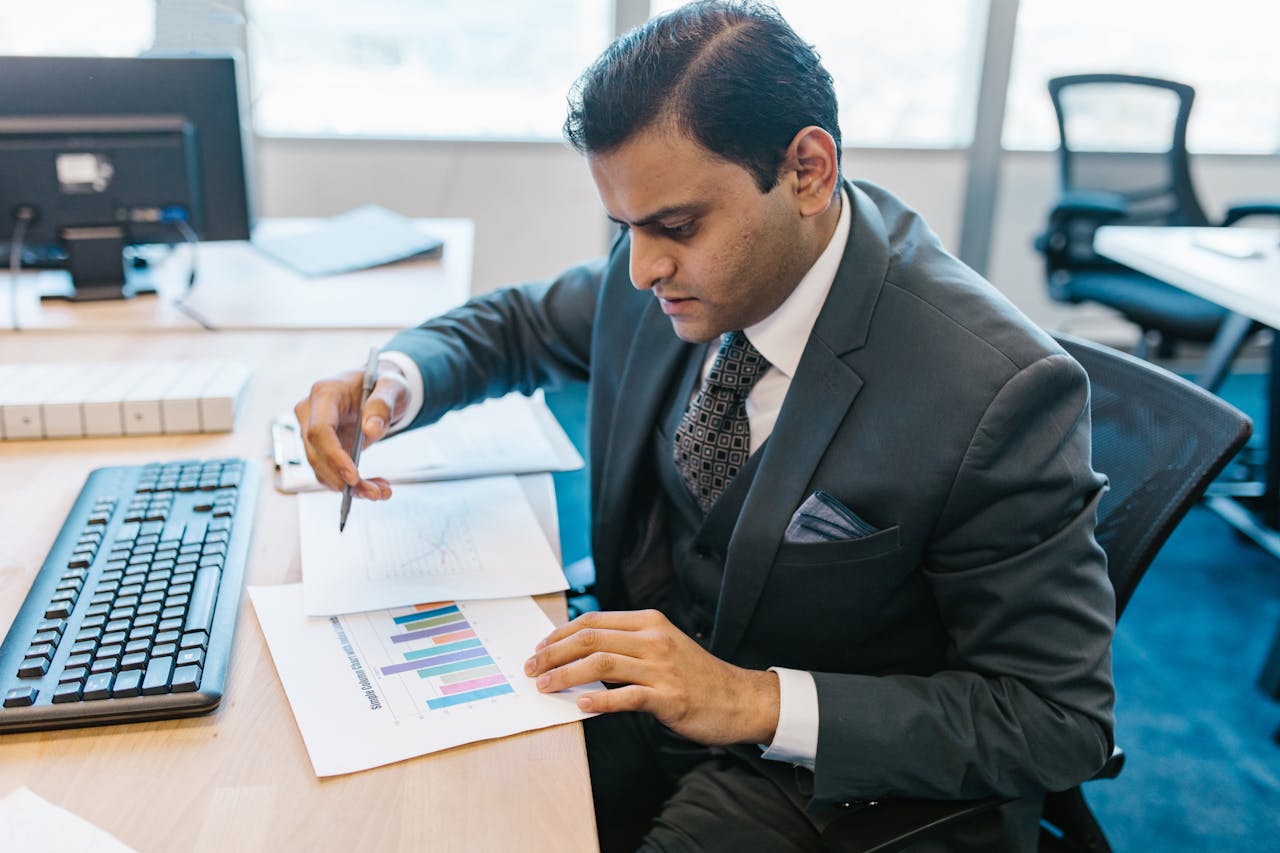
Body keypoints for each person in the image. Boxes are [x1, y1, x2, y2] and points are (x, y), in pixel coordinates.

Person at [294, 2, 1116, 850]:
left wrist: (748, 699)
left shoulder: (996, 389)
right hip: (644, 687)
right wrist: (393, 380)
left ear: (806, 171)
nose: (644, 267)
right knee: (428, 804)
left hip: (821, 771)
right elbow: (522, 325)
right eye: (626, 229)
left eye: (677, 228)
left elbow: (1058, 719)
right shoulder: (666, 270)